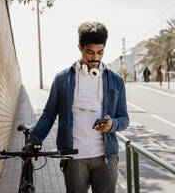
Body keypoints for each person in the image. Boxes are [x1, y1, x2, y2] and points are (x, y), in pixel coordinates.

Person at [29, 22, 129, 193]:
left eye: (100, 52)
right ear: (80, 48)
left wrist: (112, 124)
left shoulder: (116, 81)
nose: (95, 58)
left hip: (105, 158)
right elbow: (49, 115)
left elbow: (124, 119)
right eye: (90, 52)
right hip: (74, 158)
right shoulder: (62, 79)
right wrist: (34, 140)